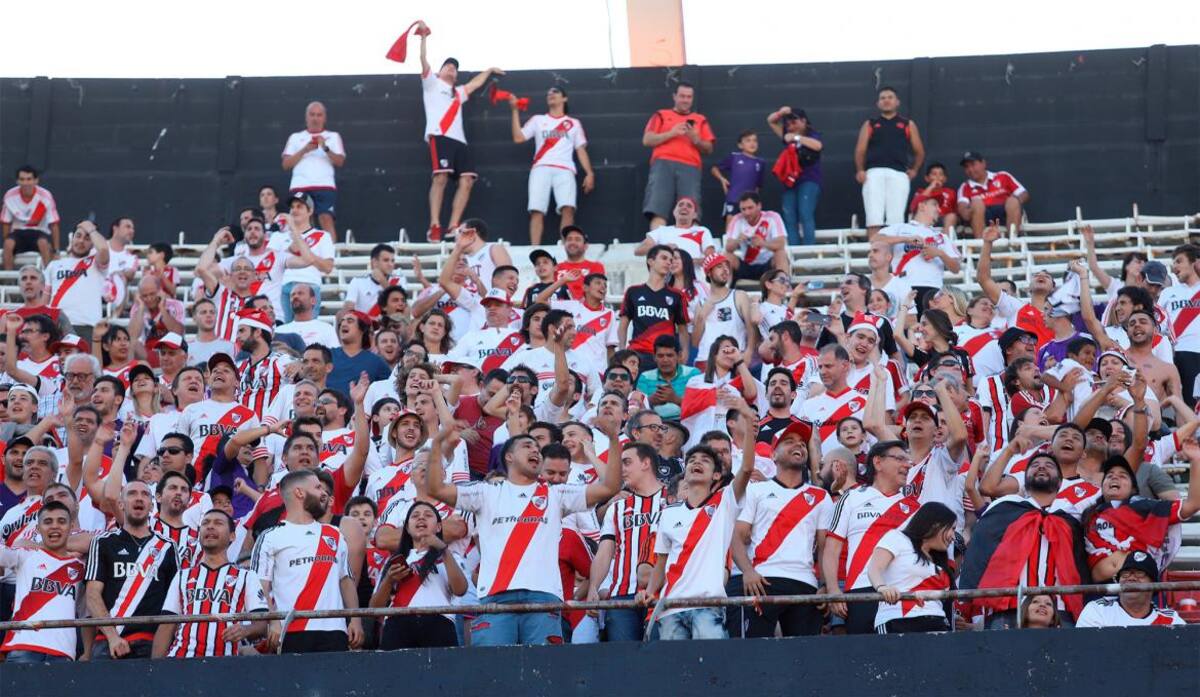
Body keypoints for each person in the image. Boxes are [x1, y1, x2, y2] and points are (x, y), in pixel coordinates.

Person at [425, 415, 620, 646]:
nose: (536, 450)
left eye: (538, 447)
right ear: (508, 456)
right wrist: (437, 444)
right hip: (495, 597)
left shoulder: (557, 494)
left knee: (544, 674)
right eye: (527, 445)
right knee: (494, 675)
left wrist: (614, 439)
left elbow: (610, 486)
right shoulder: (485, 492)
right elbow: (436, 488)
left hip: (544, 597)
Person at [640, 400, 758, 640]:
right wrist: (648, 592)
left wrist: (746, 419)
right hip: (670, 608)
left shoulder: (725, 502)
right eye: (692, 460)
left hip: (708, 605)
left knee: (712, 672)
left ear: (717, 475)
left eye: (705, 461)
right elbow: (661, 564)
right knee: (674, 673)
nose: (696, 463)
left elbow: (746, 469)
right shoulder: (669, 513)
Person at [733, 421, 832, 638]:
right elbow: (736, 537)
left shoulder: (820, 496)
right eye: (789, 441)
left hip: (806, 583)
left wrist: (825, 585)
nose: (798, 446)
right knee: (755, 653)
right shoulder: (756, 491)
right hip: (763, 581)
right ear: (773, 455)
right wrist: (748, 572)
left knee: (803, 659)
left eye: (802, 444)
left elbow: (825, 548)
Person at [251, 469, 364, 653]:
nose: (324, 493)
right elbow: (259, 585)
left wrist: (355, 619)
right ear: (299, 493)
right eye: (318, 487)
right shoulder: (270, 536)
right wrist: (273, 622)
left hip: (335, 630)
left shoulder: (334, 534)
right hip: (291, 631)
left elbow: (346, 580)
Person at [415, 21, 503, 241]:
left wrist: (490, 70)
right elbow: (423, 62)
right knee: (441, 177)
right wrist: (424, 38)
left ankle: (453, 225)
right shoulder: (432, 84)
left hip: (459, 141)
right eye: (448, 66)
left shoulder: (458, 93)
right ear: (440, 70)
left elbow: (474, 84)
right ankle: (435, 224)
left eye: (455, 68)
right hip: (440, 136)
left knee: (467, 180)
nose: (452, 69)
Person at [822, 440, 921, 634]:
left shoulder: (914, 507)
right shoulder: (851, 498)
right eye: (899, 458)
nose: (907, 465)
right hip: (859, 591)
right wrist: (833, 591)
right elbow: (832, 549)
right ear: (878, 462)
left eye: (908, 460)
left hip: (900, 593)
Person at [152, 509, 269, 658]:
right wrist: (154, 670)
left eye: (218, 523)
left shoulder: (247, 576)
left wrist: (245, 630)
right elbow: (166, 625)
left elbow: (262, 623)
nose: (210, 527)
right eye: (205, 523)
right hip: (181, 660)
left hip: (224, 664)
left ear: (232, 536)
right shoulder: (182, 575)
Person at [85, 480, 180, 659]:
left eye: (145, 495)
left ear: (152, 506)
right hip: (107, 643)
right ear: (120, 504)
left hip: (151, 644)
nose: (139, 498)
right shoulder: (103, 542)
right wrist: (113, 637)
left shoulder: (168, 547)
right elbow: (92, 595)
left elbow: (174, 600)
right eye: (132, 494)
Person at [586, 442, 667, 641]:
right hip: (622, 593)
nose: (621, 469)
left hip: (663, 591)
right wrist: (593, 588)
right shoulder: (617, 507)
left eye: (627, 462)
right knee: (624, 661)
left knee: (661, 658)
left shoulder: (673, 500)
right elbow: (605, 551)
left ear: (646, 463)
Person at [369, 501, 469, 649]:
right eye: (415, 516)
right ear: (407, 528)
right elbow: (374, 609)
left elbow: (460, 590)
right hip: (398, 627)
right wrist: (389, 580)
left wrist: (444, 550)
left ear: (439, 526)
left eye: (428, 515)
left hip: (439, 624)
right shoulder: (394, 560)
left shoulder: (451, 557)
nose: (421, 518)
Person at [0, 500, 90, 663]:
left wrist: (87, 652)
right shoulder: (25, 554)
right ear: (38, 529)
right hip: (22, 647)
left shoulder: (81, 568)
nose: (54, 526)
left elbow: (87, 613)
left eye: (61, 521)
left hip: (63, 652)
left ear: (71, 528)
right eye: (48, 522)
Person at [509, 85, 595, 245]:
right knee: (536, 210)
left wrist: (589, 173)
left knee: (568, 208)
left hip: (565, 169)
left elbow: (580, 149)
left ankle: (566, 248)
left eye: (555, 92)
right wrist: (514, 111)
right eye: (548, 93)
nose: (551, 95)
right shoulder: (538, 120)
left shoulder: (573, 123)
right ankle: (534, 249)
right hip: (541, 168)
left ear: (564, 98)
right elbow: (518, 138)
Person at [641, 82, 715, 230]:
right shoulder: (661, 115)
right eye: (682, 96)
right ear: (674, 97)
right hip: (663, 164)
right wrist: (672, 133)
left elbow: (709, 149)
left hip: (690, 166)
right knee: (658, 208)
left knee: (690, 211)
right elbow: (647, 140)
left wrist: (695, 138)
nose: (685, 100)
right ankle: (658, 248)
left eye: (689, 97)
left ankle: (688, 249)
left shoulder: (700, 119)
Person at [853, 86, 925, 238]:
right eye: (883, 98)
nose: (886, 100)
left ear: (897, 102)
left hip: (898, 173)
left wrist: (914, 170)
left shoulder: (907, 124)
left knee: (896, 219)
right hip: (873, 173)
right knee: (873, 218)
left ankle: (894, 259)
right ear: (878, 103)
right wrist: (860, 170)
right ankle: (875, 256)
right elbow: (860, 150)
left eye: (890, 97)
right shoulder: (870, 124)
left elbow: (919, 151)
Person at [874, 197, 961, 314]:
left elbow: (956, 268)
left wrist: (939, 253)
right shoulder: (900, 228)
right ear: (921, 206)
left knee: (930, 328)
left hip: (933, 289)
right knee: (904, 326)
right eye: (934, 204)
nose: (939, 210)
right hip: (903, 286)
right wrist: (906, 239)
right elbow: (875, 239)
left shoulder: (941, 236)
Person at [281, 101, 346, 241]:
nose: (315, 118)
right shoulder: (296, 137)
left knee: (326, 218)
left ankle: (330, 256)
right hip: (300, 185)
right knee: (302, 221)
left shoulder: (333, 136)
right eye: (312, 115)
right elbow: (286, 164)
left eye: (319, 115)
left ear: (324, 118)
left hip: (325, 185)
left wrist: (325, 148)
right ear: (306, 117)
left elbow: (340, 161)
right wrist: (305, 149)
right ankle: (304, 255)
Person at [619, 245, 689, 373]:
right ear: (650, 261)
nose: (668, 262)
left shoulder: (677, 295)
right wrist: (622, 351)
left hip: (665, 356)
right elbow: (623, 325)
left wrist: (684, 352)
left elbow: (683, 329)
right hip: (637, 354)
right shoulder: (633, 292)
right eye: (664, 258)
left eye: (671, 260)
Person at [1076, 551, 1183, 627]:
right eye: (1125, 574)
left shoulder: (1171, 620)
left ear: (1153, 584)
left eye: (1140, 573)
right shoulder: (1098, 610)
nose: (1131, 578)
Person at [766, 107, 823, 245]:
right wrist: (781, 113)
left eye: (794, 122)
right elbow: (771, 121)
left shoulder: (811, 134)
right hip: (790, 181)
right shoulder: (787, 135)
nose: (791, 126)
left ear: (803, 121)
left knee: (805, 213)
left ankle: (809, 251)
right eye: (788, 123)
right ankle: (793, 250)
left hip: (809, 180)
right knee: (789, 216)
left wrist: (797, 138)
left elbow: (818, 146)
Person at [44, 220, 110, 338]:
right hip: (56, 324)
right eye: (78, 236)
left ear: (93, 243)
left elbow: (104, 249)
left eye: (87, 238)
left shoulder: (96, 262)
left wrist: (91, 228)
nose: (81, 241)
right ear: (72, 238)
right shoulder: (53, 265)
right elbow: (44, 300)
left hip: (86, 326)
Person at [279, 193, 336, 323]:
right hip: (283, 287)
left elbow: (328, 267)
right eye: (292, 207)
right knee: (283, 332)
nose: (294, 210)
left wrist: (306, 252)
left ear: (310, 211)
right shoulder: (279, 236)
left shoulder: (323, 236)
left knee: (306, 330)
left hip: (309, 285)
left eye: (299, 206)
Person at [1157, 244, 1200, 407]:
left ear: (1195, 262)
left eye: (1179, 261)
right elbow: (1158, 326)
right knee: (1190, 404)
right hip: (1182, 353)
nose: (1174, 267)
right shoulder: (1168, 293)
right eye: (1173, 263)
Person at [956, 152, 1030, 238]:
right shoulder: (965, 187)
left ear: (983, 163)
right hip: (982, 218)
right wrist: (972, 209)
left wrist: (1015, 202)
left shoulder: (1002, 176)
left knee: (1013, 201)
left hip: (1005, 213)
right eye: (966, 167)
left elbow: (1024, 194)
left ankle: (1013, 242)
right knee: (976, 203)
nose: (970, 170)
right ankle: (981, 246)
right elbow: (963, 210)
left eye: (973, 165)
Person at [2, 165, 59, 269]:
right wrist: (6, 242)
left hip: (39, 233)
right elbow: (6, 222)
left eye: (29, 179)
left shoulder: (45, 196)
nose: (26, 183)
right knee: (8, 244)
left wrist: (56, 251)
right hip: (18, 234)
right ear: (17, 181)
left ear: (36, 180)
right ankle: (8, 281)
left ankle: (47, 280)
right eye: (22, 179)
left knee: (44, 244)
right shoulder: (9, 195)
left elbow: (54, 224)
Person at [723, 193, 789, 280]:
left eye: (750, 208)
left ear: (759, 206)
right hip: (746, 266)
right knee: (727, 257)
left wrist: (763, 243)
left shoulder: (772, 217)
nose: (747, 212)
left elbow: (781, 244)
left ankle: (785, 287)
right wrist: (737, 241)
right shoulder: (737, 219)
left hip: (768, 265)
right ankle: (724, 291)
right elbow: (728, 248)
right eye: (743, 209)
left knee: (781, 254)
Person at [711, 129, 767, 230]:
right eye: (748, 140)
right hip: (734, 199)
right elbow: (714, 169)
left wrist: (756, 201)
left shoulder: (760, 162)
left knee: (751, 227)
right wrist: (722, 179)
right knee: (731, 225)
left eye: (754, 140)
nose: (752, 143)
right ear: (740, 145)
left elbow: (758, 186)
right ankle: (729, 244)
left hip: (751, 202)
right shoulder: (734, 157)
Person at [329, 311, 391, 390]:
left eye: (350, 321)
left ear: (362, 330)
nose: (343, 324)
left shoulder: (377, 362)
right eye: (342, 321)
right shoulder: (327, 355)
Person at [345, 243, 404, 320]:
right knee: (340, 314)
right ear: (374, 262)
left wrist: (383, 281)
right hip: (364, 327)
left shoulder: (399, 280)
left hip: (390, 326)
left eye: (392, 261)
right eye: (386, 260)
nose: (390, 264)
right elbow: (349, 309)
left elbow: (402, 309)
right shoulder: (357, 281)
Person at [278, 284, 338, 349]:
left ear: (313, 301)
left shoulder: (327, 329)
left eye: (300, 293)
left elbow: (334, 356)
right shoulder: (280, 331)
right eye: (292, 295)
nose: (295, 296)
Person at [555, 226, 605, 300]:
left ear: (586, 246)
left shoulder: (596, 267)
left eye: (577, 239)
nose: (572, 242)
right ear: (564, 244)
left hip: (584, 309)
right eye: (569, 239)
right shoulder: (555, 268)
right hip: (558, 309)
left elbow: (596, 293)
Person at [909, 163, 958, 234]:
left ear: (945, 178)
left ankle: (944, 241)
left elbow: (955, 211)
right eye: (934, 174)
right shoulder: (921, 191)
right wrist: (932, 186)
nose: (938, 177)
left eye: (941, 174)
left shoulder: (950, 192)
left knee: (951, 216)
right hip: (926, 217)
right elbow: (914, 206)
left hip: (943, 219)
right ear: (927, 178)